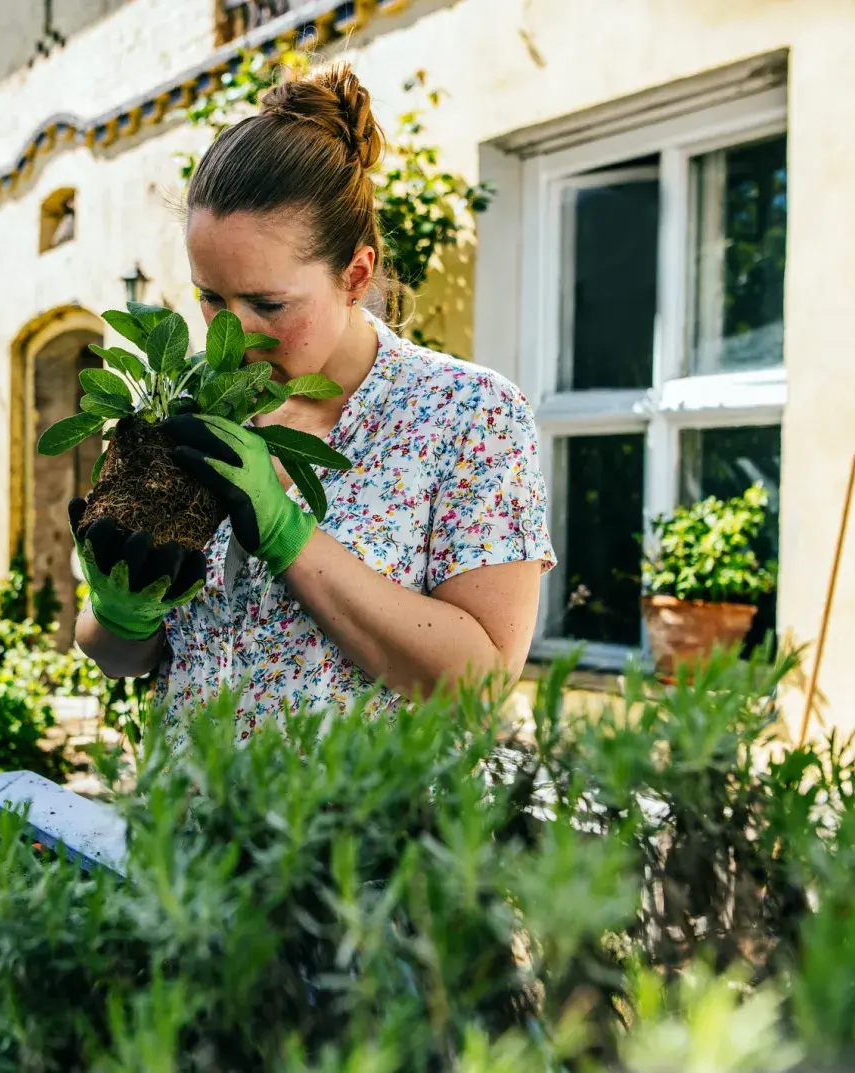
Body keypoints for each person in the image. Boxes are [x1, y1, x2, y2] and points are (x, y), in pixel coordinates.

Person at [72, 63, 554, 743]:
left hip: (365, 842)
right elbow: (118, 656)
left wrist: (288, 534)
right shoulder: (191, 411)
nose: (231, 333)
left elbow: (479, 685)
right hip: (183, 840)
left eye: (268, 303)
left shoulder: (465, 415)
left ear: (355, 275)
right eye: (210, 296)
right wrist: (120, 608)